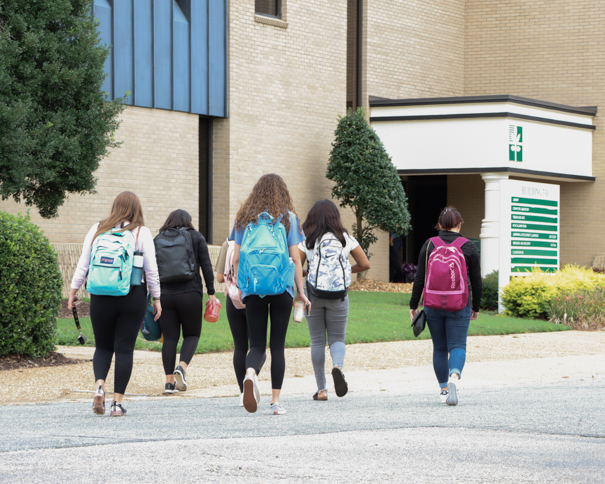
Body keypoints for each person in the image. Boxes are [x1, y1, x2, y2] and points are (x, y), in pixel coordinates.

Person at [68, 191, 161, 417]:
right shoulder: (141, 232)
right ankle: (117, 405)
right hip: (132, 294)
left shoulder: (98, 228)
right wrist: (157, 298)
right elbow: (151, 269)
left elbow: (84, 264)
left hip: (100, 294)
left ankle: (100, 385)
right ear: (137, 209)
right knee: (124, 349)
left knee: (103, 346)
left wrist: (73, 291)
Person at [232, 173, 310, 415]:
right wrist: (301, 292)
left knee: (255, 344)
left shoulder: (245, 218)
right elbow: (296, 259)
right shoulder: (288, 218)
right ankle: (275, 402)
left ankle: (250, 373)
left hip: (253, 288)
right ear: (283, 192)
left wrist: (241, 286)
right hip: (281, 288)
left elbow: (235, 258)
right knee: (277, 346)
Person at [409, 206, 482, 406]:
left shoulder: (429, 244)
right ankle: (454, 377)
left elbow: (419, 277)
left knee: (440, 347)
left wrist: (414, 304)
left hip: (432, 304)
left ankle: (443, 389)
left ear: (439, 225)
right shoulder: (468, 246)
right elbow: (476, 280)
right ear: (459, 224)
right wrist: (476, 306)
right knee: (458, 345)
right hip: (460, 304)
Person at [298, 200, 370, 401]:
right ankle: (337, 366)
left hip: (312, 295)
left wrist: (307, 272)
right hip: (338, 295)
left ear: (312, 218)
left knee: (317, 342)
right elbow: (365, 264)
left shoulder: (307, 241)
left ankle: (321, 390)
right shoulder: (346, 238)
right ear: (335, 217)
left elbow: (296, 267)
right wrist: (348, 269)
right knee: (337, 338)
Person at [157, 209, 217, 395]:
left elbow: (150, 270)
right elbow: (206, 267)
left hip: (165, 294)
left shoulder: (158, 239)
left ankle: (168, 383)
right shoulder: (196, 237)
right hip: (190, 293)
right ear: (188, 221)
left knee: (170, 338)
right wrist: (212, 293)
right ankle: (181, 367)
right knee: (191, 335)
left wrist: (154, 296)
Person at [215, 238, 266, 405]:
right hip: (254, 296)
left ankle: (243, 391)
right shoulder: (258, 240)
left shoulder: (228, 244)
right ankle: (251, 376)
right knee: (258, 346)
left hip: (233, 297)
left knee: (239, 347)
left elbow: (220, 278)